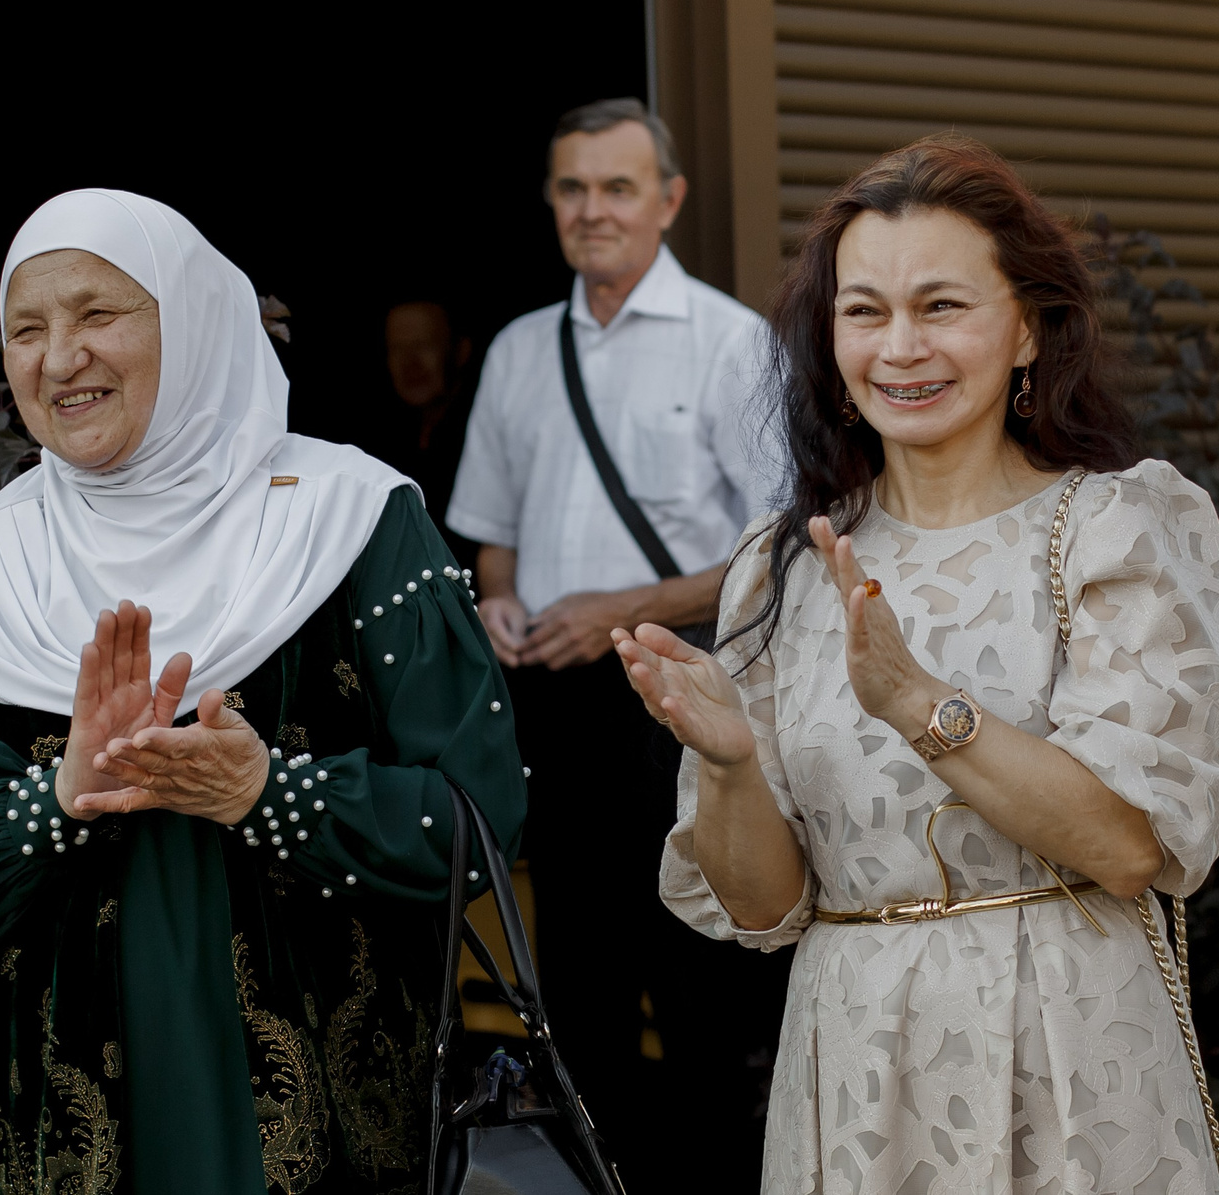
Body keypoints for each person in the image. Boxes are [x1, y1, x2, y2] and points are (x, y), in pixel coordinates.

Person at [0, 189, 526, 1193]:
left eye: (97, 313)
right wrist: (52, 801)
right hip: (55, 1143)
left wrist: (271, 795)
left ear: (192, 322)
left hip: (331, 1136)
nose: (59, 357)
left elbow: (477, 817)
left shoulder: (352, 525)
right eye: (27, 329)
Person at [614, 135, 1219, 1192]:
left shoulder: (1118, 527)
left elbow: (1126, 844)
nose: (900, 347)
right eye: (864, 311)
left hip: (1070, 1047)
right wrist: (727, 766)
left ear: (1028, 328)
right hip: (854, 1056)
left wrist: (918, 703)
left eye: (942, 306)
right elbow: (763, 909)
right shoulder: (782, 566)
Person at [446, 97, 789, 1186]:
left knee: (698, 981)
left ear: (668, 200)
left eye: (618, 187)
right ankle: (604, 1177)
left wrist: (625, 607)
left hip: (683, 695)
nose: (593, 209)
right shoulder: (518, 350)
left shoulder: (731, 342)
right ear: (552, 201)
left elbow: (775, 547)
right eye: (573, 188)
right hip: (555, 703)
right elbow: (492, 535)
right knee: (578, 975)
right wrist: (500, 600)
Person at [371, 298, 477, 564]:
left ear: (461, 351)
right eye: (398, 349)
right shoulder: (381, 436)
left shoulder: (483, 435)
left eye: (423, 346)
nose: (410, 363)